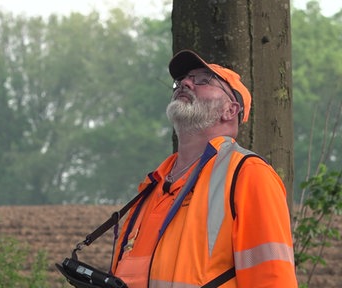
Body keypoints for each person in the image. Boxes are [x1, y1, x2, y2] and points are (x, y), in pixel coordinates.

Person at [109, 50, 297, 287]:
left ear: (230, 110)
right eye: (182, 80)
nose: (185, 83)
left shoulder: (249, 174)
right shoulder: (153, 185)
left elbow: (272, 279)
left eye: (203, 80)